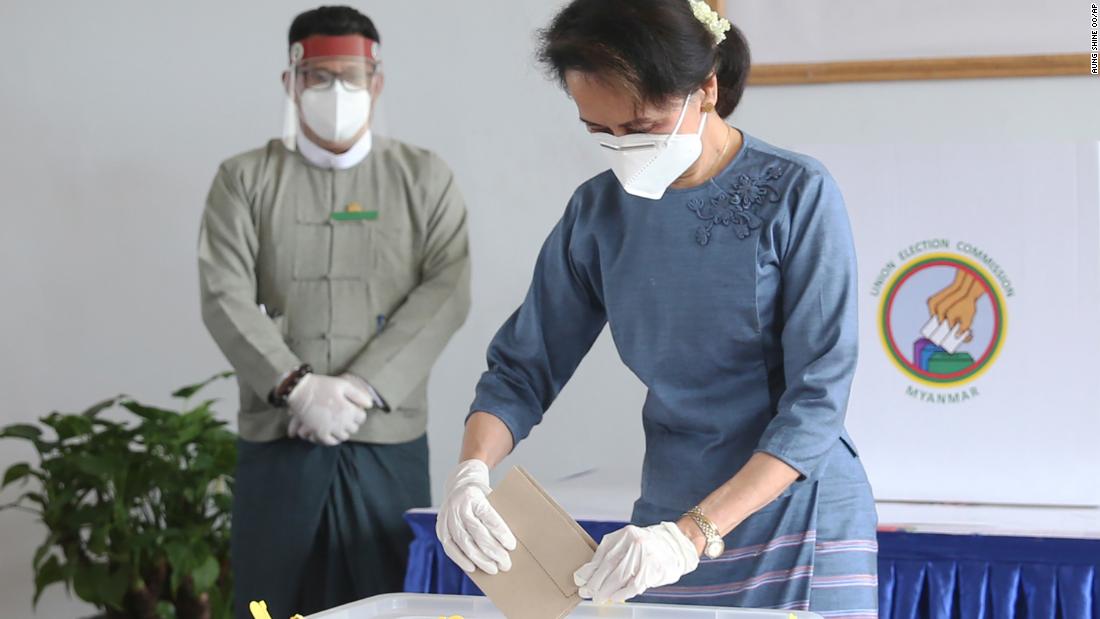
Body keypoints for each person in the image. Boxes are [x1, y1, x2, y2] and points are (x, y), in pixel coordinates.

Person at [437, 0, 877, 615]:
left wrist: (691, 535)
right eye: (601, 131)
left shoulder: (797, 193)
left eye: (642, 125)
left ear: (706, 88)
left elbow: (817, 402)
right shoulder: (598, 213)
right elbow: (523, 367)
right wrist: (470, 473)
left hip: (792, 509)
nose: (624, 147)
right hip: (666, 512)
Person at [197, 6, 470, 618]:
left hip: (384, 438)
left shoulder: (423, 178)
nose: (336, 92)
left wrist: (361, 387)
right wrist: (296, 388)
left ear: (377, 82)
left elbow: (447, 290)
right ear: (291, 82)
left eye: (350, 76)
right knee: (268, 598)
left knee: (390, 599)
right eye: (319, 77)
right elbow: (224, 293)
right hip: (280, 435)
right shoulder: (244, 180)